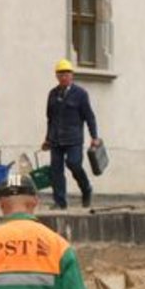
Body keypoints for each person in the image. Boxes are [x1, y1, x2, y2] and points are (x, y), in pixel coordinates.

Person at [42, 59, 100, 210]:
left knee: (74, 164)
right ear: (56, 76)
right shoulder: (52, 94)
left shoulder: (80, 94)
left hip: (73, 139)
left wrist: (94, 137)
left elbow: (89, 117)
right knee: (56, 170)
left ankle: (86, 189)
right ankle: (60, 202)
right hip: (56, 139)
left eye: (66, 74)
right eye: (60, 74)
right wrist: (47, 139)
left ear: (72, 76)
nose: (63, 77)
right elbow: (50, 118)